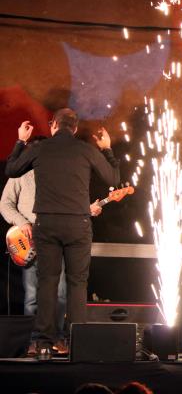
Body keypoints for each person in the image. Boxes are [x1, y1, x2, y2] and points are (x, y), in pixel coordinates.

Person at [5, 109, 120, 360]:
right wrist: (107, 149)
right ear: (75, 129)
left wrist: (21, 141)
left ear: (53, 125)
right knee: (77, 283)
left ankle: (43, 343)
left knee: (47, 282)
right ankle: (76, 342)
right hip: (78, 225)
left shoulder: (40, 148)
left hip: (47, 224)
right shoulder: (86, 150)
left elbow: (12, 170)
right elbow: (113, 176)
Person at [0, 163, 103, 355]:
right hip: (30, 241)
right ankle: (33, 341)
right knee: (32, 297)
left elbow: (69, 209)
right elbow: (5, 204)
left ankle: (56, 338)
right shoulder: (20, 175)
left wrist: (87, 210)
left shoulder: (63, 175)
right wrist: (22, 223)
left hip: (56, 240)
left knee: (61, 294)